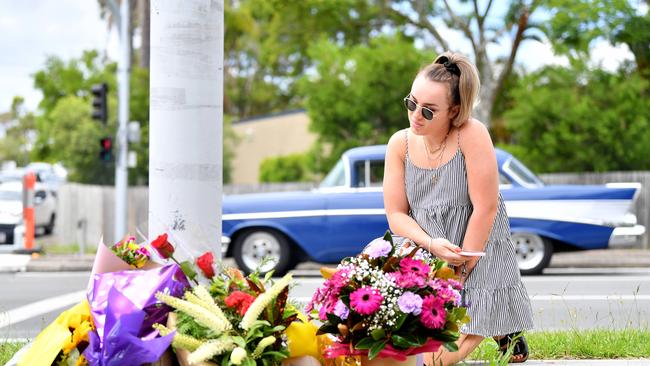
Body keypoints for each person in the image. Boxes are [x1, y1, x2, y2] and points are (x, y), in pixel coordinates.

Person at [383, 51, 534, 365]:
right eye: (411, 103)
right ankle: (497, 324)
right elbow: (396, 214)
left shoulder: (472, 134)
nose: (415, 116)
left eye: (428, 111)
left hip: (476, 243)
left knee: (432, 362)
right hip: (425, 244)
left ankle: (501, 327)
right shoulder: (399, 143)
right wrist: (431, 245)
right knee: (400, 336)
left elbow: (485, 208)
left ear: (454, 111)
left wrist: (460, 272)